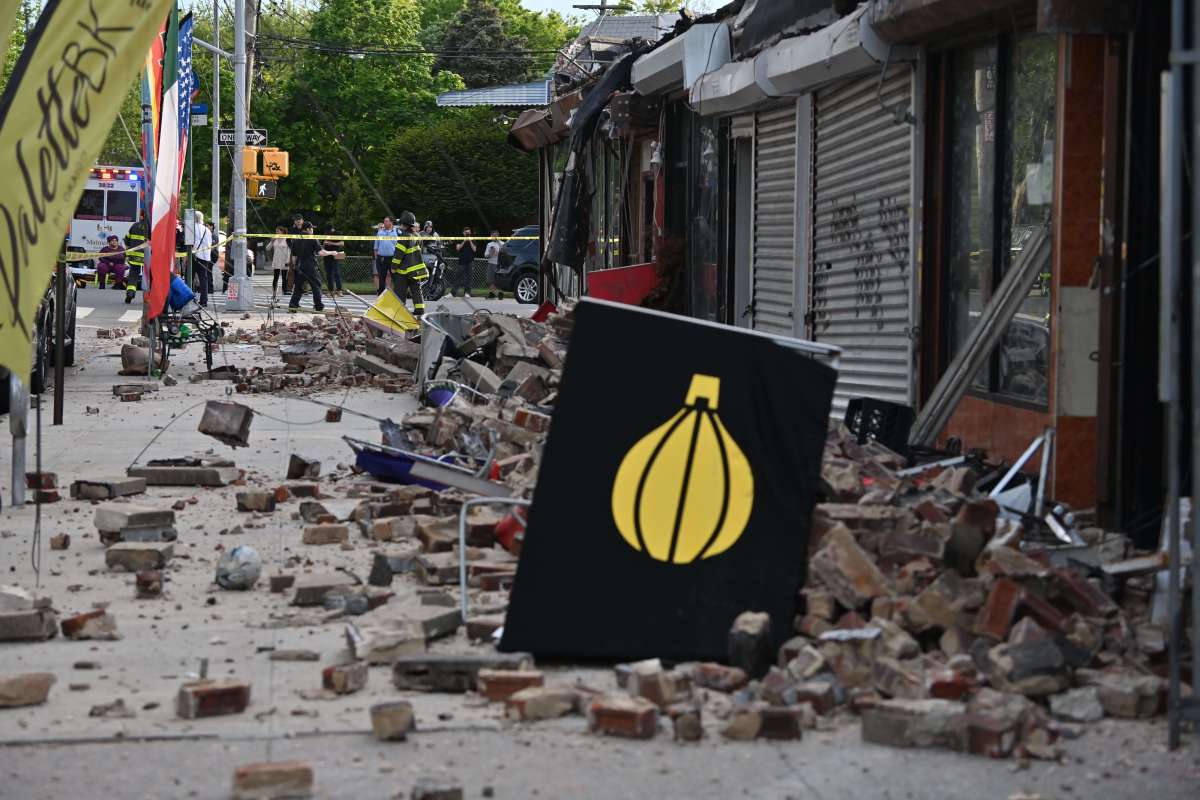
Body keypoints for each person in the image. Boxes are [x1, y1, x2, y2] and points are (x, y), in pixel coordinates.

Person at [390, 211, 427, 316]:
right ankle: (420, 311)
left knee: (400, 292)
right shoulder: (417, 236)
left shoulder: (404, 237)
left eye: (401, 223)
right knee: (416, 291)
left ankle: (399, 312)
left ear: (404, 224)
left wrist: (393, 267)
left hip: (404, 271)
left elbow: (398, 255)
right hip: (416, 271)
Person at [288, 222, 324, 313]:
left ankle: (293, 305)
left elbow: (293, 257)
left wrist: (295, 267)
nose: (312, 231)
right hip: (311, 266)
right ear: (307, 229)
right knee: (316, 285)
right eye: (311, 229)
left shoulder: (296, 239)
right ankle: (318, 305)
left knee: (298, 287)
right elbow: (321, 252)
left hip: (300, 266)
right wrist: (333, 253)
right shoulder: (312, 238)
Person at [123, 215, 149, 304]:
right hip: (147, 257)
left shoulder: (134, 225)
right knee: (149, 277)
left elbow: (126, 238)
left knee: (133, 276)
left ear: (142, 217)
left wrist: (128, 248)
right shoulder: (151, 227)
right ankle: (149, 297)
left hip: (134, 255)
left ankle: (130, 293)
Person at [192, 212, 214, 306]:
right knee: (203, 279)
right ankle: (204, 301)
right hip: (205, 257)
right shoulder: (207, 230)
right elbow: (209, 244)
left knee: (190, 278)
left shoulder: (192, 228)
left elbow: (191, 242)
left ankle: (187, 298)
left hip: (194, 256)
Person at [373, 216, 398, 294]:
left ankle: (397, 294)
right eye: (384, 221)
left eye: (386, 221)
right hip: (381, 258)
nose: (384, 222)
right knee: (381, 277)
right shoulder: (380, 232)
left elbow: (398, 246)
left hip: (393, 258)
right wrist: (377, 258)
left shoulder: (396, 232)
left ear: (391, 222)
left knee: (395, 277)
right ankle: (381, 294)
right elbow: (376, 246)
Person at [268, 225, 290, 299]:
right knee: (275, 277)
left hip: (285, 260)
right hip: (276, 260)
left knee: (284, 278)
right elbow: (267, 248)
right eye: (276, 231)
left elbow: (289, 250)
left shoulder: (286, 239)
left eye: (278, 231)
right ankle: (274, 293)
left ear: (282, 232)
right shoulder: (275, 239)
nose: (276, 232)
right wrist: (271, 241)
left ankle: (284, 292)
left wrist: (288, 260)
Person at [322, 226, 345, 296]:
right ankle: (331, 290)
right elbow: (323, 244)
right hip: (327, 255)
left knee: (337, 273)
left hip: (336, 254)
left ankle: (339, 290)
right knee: (329, 274)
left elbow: (342, 243)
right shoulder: (325, 234)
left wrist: (331, 243)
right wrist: (324, 245)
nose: (329, 232)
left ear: (333, 229)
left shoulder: (337, 234)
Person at [453, 227, 475, 298]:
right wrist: (464, 241)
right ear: (463, 233)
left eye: (469, 233)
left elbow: (474, 249)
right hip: (462, 261)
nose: (468, 234)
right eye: (466, 233)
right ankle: (453, 293)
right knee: (458, 277)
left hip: (470, 261)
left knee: (469, 278)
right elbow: (458, 248)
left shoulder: (473, 239)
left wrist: (470, 241)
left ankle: (467, 293)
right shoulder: (460, 239)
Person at [484, 230, 503, 299]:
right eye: (493, 235)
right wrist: (490, 254)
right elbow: (485, 255)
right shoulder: (489, 244)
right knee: (489, 281)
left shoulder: (502, 244)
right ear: (491, 236)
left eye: (495, 235)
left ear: (498, 236)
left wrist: (498, 253)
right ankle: (496, 293)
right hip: (491, 263)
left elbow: (505, 254)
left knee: (497, 281)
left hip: (499, 264)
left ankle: (493, 294)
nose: (494, 237)